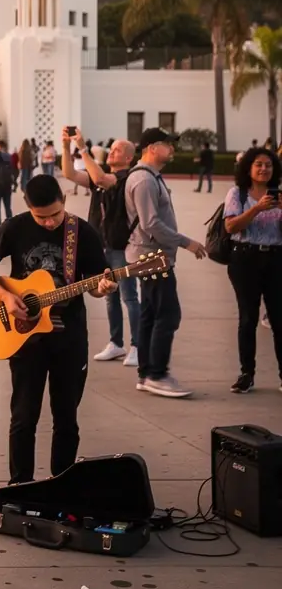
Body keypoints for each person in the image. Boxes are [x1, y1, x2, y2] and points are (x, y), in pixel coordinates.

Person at [0, 174, 115, 484]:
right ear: (29, 208)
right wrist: (6, 296)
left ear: (64, 200)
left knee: (66, 418)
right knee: (23, 417)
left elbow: (94, 283)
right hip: (25, 338)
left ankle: (61, 484)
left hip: (70, 338)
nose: (50, 222)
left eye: (55, 214)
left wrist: (102, 288)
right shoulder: (15, 227)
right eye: (41, 217)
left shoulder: (83, 233)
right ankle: (19, 485)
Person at [125, 128, 207, 399]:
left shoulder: (149, 177)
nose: (172, 149)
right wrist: (186, 242)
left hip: (151, 256)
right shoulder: (144, 180)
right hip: (151, 258)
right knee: (168, 314)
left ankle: (147, 373)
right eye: (167, 145)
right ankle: (157, 374)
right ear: (151, 147)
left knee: (151, 313)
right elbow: (151, 224)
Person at [61, 128, 140, 366]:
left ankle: (137, 345)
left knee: (129, 297)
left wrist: (83, 148)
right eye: (112, 148)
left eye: (117, 150)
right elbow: (70, 174)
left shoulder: (125, 178)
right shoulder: (102, 175)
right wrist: (66, 146)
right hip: (101, 245)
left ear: (128, 158)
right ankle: (116, 343)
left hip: (120, 246)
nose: (112, 152)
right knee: (109, 296)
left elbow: (100, 180)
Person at [222, 147, 282, 393]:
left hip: (277, 259)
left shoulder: (279, 194)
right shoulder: (237, 193)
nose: (263, 169)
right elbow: (230, 226)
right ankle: (247, 373)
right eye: (258, 164)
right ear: (248, 168)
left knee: (279, 319)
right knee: (248, 318)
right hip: (245, 259)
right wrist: (257, 208)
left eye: (268, 165)